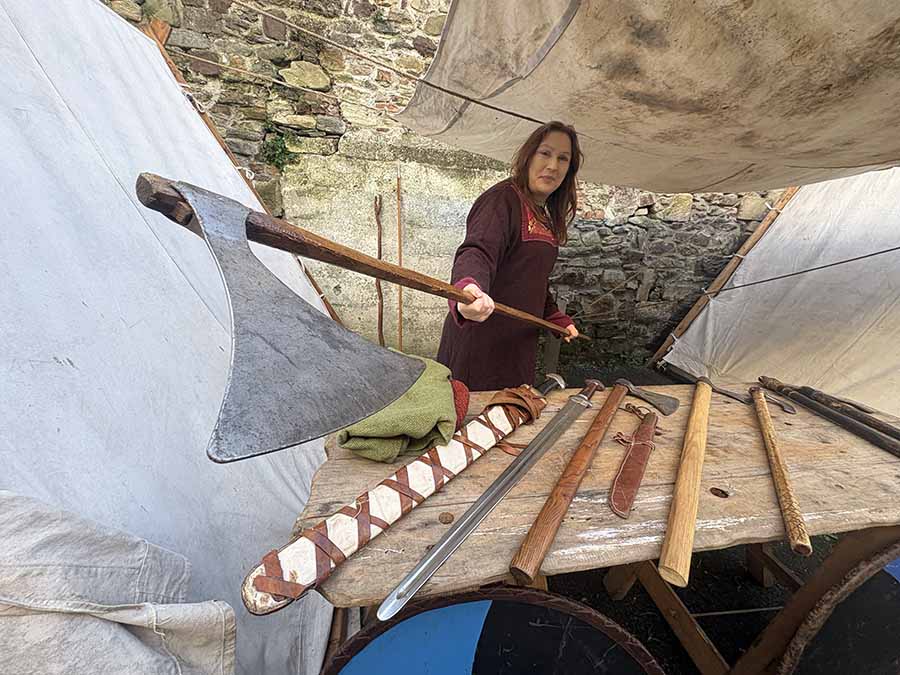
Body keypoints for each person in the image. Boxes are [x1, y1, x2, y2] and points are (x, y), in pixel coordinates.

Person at [436, 121, 582, 391]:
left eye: (563, 158)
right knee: (473, 414)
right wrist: (468, 290)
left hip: (517, 347)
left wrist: (554, 316)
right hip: (480, 343)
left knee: (511, 411)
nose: (553, 165)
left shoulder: (543, 215)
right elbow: (477, 251)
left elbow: (532, 279)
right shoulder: (501, 200)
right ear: (528, 156)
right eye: (545, 153)